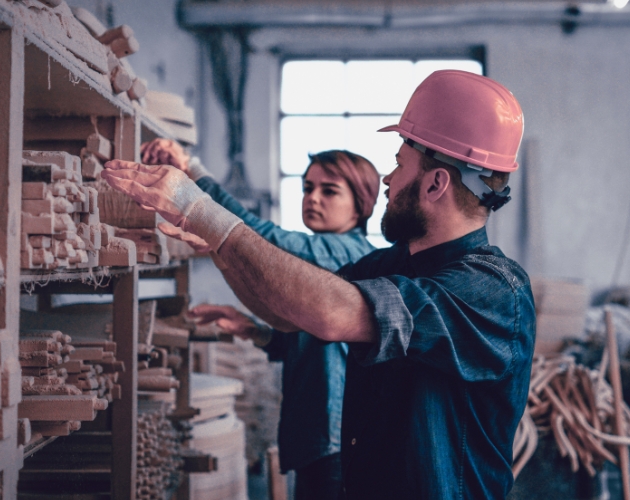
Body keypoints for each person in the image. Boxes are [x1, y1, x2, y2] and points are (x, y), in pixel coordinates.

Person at [104, 70, 536, 499]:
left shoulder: (493, 290)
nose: (388, 179)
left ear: (436, 183)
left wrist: (206, 214)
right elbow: (292, 316)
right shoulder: (391, 263)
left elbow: (333, 313)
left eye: (399, 165)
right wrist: (219, 249)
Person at [140, 139, 380, 500]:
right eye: (308, 188)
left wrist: (193, 172)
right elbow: (305, 341)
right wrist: (250, 329)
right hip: (320, 438)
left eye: (329, 191)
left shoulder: (345, 252)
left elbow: (256, 234)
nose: (313, 198)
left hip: (334, 442)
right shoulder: (324, 258)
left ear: (361, 205)